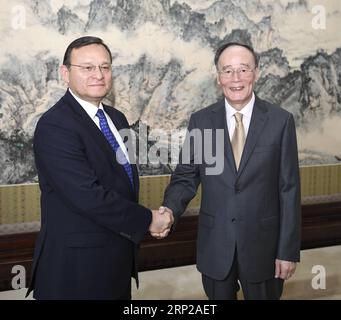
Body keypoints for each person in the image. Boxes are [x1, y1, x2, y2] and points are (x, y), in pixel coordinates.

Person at [26, 36, 173, 300]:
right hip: (75, 271)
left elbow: (121, 183)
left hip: (115, 262)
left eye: (105, 67)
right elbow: (89, 196)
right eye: (87, 67)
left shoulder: (117, 119)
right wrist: (150, 219)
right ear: (65, 72)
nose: (98, 75)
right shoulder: (55, 125)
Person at [153, 42, 301, 300]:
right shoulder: (201, 120)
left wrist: (287, 250)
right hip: (215, 246)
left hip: (264, 249)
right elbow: (186, 175)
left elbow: (289, 190)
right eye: (227, 70)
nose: (236, 78)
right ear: (218, 76)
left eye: (243, 70)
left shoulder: (281, 120)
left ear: (256, 72)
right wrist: (169, 210)